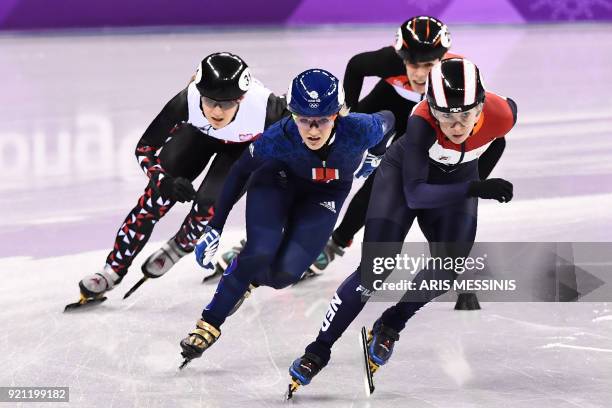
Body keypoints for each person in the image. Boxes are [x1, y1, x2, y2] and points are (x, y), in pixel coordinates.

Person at [287, 58, 518, 395]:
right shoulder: (422, 122)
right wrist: (476, 188)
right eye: (446, 116)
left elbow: (499, 138)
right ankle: (318, 350)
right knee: (374, 272)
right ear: (431, 108)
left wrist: (477, 175)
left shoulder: (503, 114)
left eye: (465, 115)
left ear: (481, 105)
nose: (456, 126)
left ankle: (392, 323)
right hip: (404, 180)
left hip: (460, 178)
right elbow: (416, 193)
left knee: (448, 268)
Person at [211, 16, 461, 280]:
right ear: (400, 56)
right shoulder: (388, 61)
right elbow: (356, 66)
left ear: (442, 58)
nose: (419, 74)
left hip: (422, 120)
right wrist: (346, 115)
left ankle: (337, 243)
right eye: (411, 63)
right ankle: (266, 236)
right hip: (385, 104)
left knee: (383, 181)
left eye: (428, 65)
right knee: (310, 159)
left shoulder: (455, 78)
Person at [178, 68, 396, 367]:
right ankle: (210, 321)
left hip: (325, 195)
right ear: (292, 114)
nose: (313, 130)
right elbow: (240, 170)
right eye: (304, 119)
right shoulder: (278, 137)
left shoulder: (361, 129)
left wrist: (376, 154)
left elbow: (389, 119)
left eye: (322, 120)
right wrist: (215, 226)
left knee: (284, 276)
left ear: (339, 114)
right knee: (260, 249)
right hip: (277, 181)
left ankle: (247, 280)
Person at [70, 52, 288, 307]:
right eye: (210, 101)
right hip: (198, 136)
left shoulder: (268, 109)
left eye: (226, 103)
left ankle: (179, 246)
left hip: (242, 147)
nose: (217, 111)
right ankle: (112, 270)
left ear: (241, 98)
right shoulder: (187, 100)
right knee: (154, 200)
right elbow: (144, 148)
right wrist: (163, 181)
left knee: (209, 205)